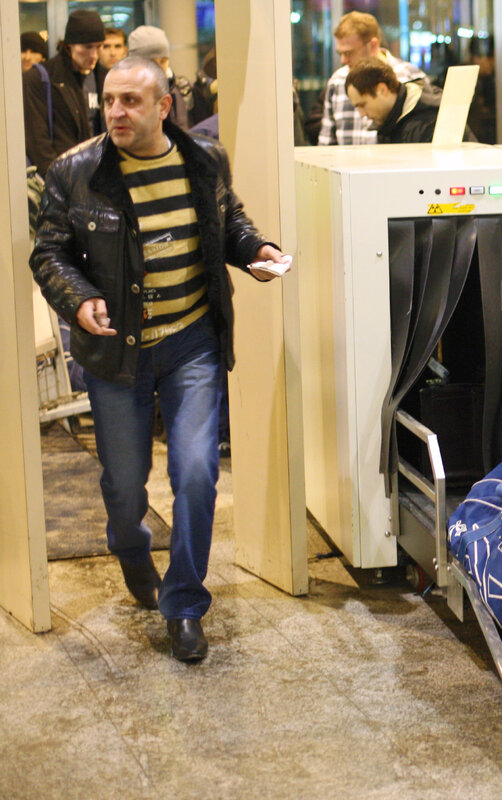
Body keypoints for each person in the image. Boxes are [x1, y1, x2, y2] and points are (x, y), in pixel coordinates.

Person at [29, 56, 289, 663]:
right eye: (110, 101)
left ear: (163, 107)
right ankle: (131, 549)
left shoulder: (203, 158)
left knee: (197, 474)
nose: (116, 112)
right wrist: (81, 298)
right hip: (115, 351)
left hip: (190, 342)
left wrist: (256, 248)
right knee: (125, 486)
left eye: (131, 102)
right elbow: (49, 253)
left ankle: (185, 604)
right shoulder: (76, 171)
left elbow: (228, 220)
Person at [317, 11, 425, 146]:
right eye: (340, 53)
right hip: (346, 166)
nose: (343, 60)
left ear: (373, 45)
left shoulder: (409, 77)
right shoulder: (338, 80)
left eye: (349, 52)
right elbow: (327, 141)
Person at [23, 9, 108, 176]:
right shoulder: (39, 79)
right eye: (87, 47)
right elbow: (38, 142)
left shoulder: (105, 77)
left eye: (99, 47)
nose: (94, 55)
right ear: (70, 45)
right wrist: (59, 182)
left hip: (101, 176)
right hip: (65, 177)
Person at [345, 60, 475, 143]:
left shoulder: (429, 122)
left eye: (362, 105)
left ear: (382, 90)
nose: (362, 114)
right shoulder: (392, 121)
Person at [126, 25, 192, 131]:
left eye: (163, 61)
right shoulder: (123, 93)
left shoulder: (179, 89)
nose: (159, 67)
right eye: (151, 62)